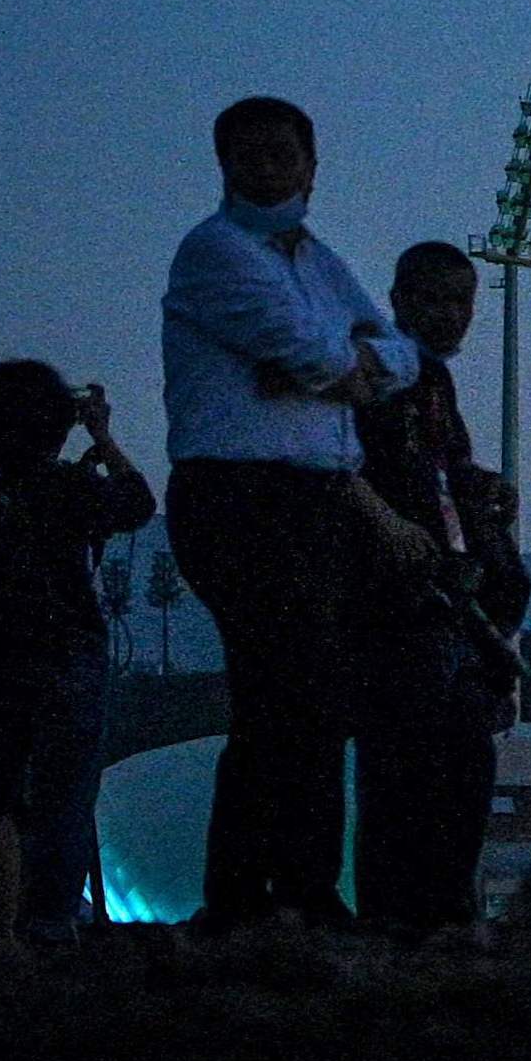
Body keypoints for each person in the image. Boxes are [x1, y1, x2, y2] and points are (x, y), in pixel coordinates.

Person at [159, 96, 422, 927]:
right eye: (250, 154)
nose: (267, 167)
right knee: (288, 689)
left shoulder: (319, 260)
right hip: (241, 495)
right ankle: (266, 895)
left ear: (311, 164)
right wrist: (336, 364)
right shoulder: (213, 251)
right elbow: (314, 350)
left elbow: (401, 352)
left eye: (282, 153)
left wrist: (338, 367)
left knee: (302, 695)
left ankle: (277, 892)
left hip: (318, 498)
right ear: (223, 165)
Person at [0, 362, 156, 939]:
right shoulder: (67, 485)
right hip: (68, 654)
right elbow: (136, 501)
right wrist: (104, 439)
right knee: (66, 791)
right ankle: (50, 923)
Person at [349, 242, 525, 933]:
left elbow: (439, 475)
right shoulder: (375, 379)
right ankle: (400, 926)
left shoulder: (432, 385)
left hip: (454, 605)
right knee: (403, 776)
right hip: (399, 607)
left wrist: (481, 492)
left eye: (464, 301)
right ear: (398, 299)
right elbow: (357, 475)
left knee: (462, 767)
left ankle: (440, 919)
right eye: (437, 298)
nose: (454, 316)